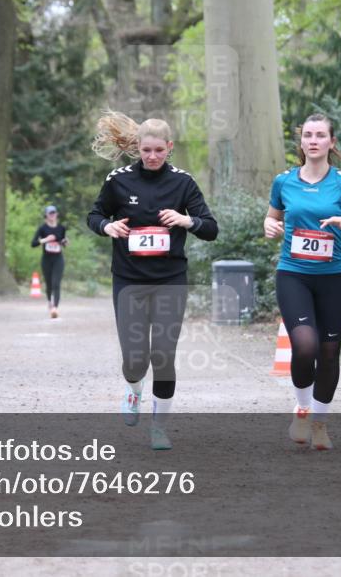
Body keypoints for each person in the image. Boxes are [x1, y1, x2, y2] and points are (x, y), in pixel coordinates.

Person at [87, 112, 218, 450]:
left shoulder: (183, 182)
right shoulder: (118, 180)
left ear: (169, 147)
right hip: (129, 281)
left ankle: (159, 426)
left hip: (170, 281)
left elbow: (210, 227)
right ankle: (134, 391)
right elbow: (95, 215)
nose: (152, 156)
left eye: (159, 150)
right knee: (135, 359)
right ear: (137, 148)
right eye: (146, 150)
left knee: (163, 354)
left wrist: (186, 220)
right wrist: (107, 227)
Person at [264, 113, 341, 450]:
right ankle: (302, 407)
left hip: (333, 278)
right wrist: (270, 227)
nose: (313, 141)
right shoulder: (283, 181)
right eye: (308, 135)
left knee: (329, 352)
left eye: (320, 135)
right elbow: (272, 219)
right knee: (304, 345)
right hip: (294, 274)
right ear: (301, 143)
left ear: (331, 143)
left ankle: (320, 422)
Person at [31, 205, 68, 318]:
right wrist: (46, 240)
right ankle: (49, 301)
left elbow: (62, 242)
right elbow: (33, 244)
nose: (52, 215)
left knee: (56, 283)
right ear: (46, 216)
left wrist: (65, 242)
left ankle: (55, 308)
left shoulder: (61, 228)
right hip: (46, 260)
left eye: (54, 213)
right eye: (50, 213)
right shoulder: (42, 229)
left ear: (56, 214)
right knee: (49, 284)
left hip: (58, 259)